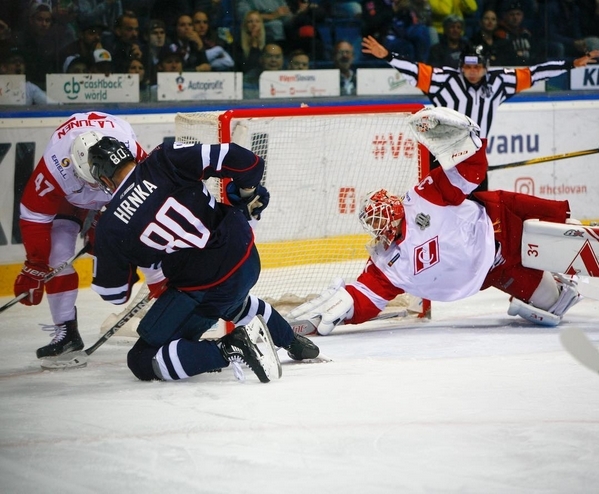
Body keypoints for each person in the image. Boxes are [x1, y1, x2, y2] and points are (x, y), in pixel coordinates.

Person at [288, 107, 582, 336]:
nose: (382, 228)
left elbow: (471, 172)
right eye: (377, 225)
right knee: (555, 302)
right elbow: (367, 295)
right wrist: (348, 307)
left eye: (382, 219)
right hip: (496, 271)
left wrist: (466, 142)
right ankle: (555, 280)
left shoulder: (423, 196)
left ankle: (566, 239)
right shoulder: (388, 263)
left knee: (571, 231)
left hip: (504, 222)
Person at [85, 136, 320, 382]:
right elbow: (248, 163)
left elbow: (114, 293)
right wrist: (247, 194)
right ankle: (293, 342)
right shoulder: (164, 157)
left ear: (103, 179)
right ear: (130, 155)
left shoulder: (110, 225)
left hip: (203, 287)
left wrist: (101, 248)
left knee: (141, 358)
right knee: (233, 302)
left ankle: (228, 348)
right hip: (245, 257)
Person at [362, 35, 599, 190]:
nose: (472, 71)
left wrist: (571, 64)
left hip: (475, 157)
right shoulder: (444, 80)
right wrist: (388, 56)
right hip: (441, 154)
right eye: (467, 67)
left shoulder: (499, 82)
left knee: (477, 207)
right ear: (461, 66)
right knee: (439, 208)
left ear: (485, 66)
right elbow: (415, 70)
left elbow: (534, 73)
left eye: (477, 67)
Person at [13, 112, 147, 359]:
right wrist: (34, 265)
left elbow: (150, 197)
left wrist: (107, 225)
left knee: (147, 241)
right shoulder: (55, 165)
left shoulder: (128, 150)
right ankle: (66, 331)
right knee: (56, 251)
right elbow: (34, 216)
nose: (93, 190)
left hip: (114, 187)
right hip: (71, 196)